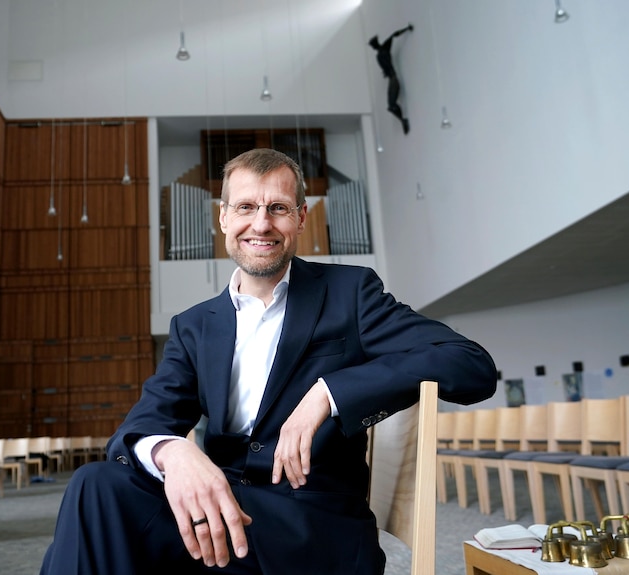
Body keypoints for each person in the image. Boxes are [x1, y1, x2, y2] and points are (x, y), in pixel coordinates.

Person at [40, 148, 496, 574]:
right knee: (95, 487)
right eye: (245, 208)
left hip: (310, 528)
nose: (261, 224)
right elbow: (141, 426)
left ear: (300, 218)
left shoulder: (350, 294)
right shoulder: (193, 326)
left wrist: (331, 392)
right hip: (220, 515)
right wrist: (173, 451)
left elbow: (470, 363)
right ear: (223, 218)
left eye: (277, 208)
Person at [369, 25, 414, 135]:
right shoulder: (378, 55)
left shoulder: (384, 47)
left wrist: (407, 28)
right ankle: (403, 120)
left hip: (393, 78)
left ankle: (404, 120)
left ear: (376, 43)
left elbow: (394, 35)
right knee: (390, 106)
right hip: (390, 78)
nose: (373, 47)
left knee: (392, 104)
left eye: (373, 45)